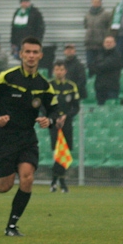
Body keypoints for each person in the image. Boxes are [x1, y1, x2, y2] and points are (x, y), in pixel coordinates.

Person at [0, 37, 61, 236]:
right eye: (27, 52)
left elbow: (55, 110)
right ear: (20, 54)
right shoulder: (7, 77)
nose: (31, 56)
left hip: (28, 137)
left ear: (40, 55)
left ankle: (11, 226)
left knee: (27, 179)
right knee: (5, 185)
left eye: (35, 52)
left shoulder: (44, 84)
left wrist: (50, 121)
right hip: (5, 136)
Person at [48, 60, 79, 193]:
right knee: (57, 152)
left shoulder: (71, 86)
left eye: (61, 70)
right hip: (54, 124)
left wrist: (66, 116)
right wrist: (55, 118)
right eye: (57, 69)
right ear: (54, 71)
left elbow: (76, 106)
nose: (59, 72)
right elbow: (44, 106)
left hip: (67, 123)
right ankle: (62, 182)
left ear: (65, 71)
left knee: (65, 151)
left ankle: (55, 181)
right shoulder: (49, 86)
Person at [89, 36, 122, 105]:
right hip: (100, 87)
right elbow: (92, 67)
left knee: (112, 109)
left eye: (110, 42)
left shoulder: (117, 55)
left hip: (112, 88)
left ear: (115, 44)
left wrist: (99, 67)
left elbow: (107, 65)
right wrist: (100, 67)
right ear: (103, 44)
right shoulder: (99, 54)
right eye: (107, 42)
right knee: (100, 109)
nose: (108, 44)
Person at [84, 0, 110, 69]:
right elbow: (85, 26)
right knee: (89, 64)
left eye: (97, 2)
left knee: (100, 65)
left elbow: (109, 27)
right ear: (91, 2)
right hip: (89, 44)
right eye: (94, 2)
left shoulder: (106, 14)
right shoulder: (87, 15)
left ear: (101, 3)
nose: (95, 3)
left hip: (100, 45)